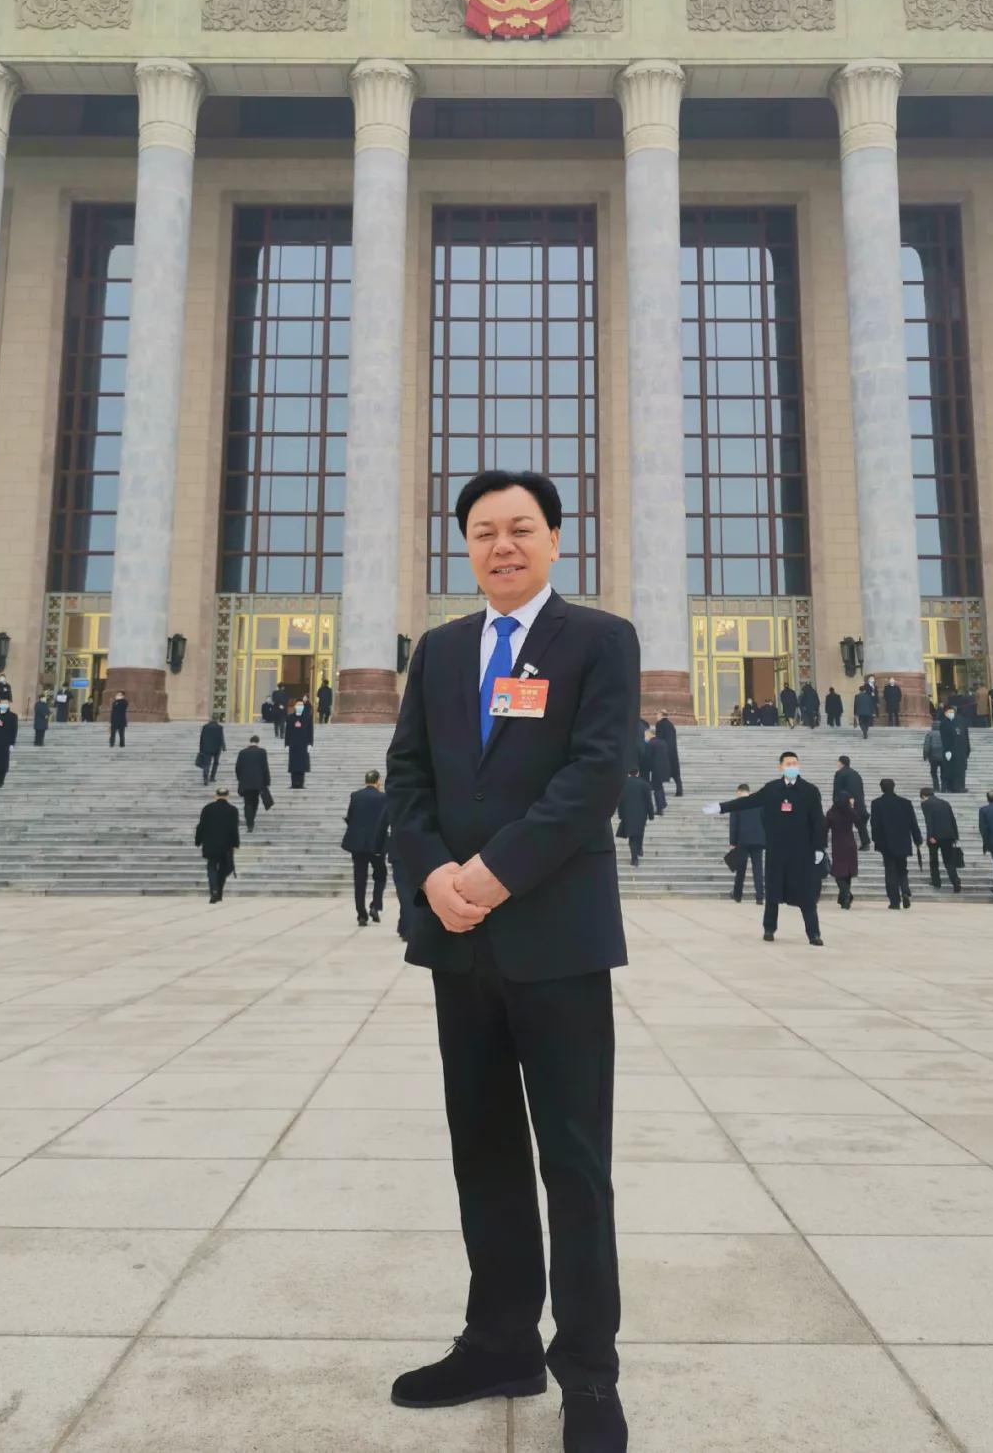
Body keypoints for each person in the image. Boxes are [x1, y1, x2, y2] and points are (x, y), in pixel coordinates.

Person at [385, 468, 638, 1452]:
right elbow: (408, 778)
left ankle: (590, 1377)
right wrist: (433, 875)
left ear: (555, 540)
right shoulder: (443, 651)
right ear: (466, 546)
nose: (502, 545)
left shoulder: (599, 641)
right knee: (483, 1151)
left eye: (521, 528)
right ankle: (499, 1343)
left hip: (557, 938)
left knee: (574, 1162)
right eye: (484, 531)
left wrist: (491, 874)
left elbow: (593, 778)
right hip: (460, 943)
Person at [705, 751, 826, 945]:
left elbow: (818, 820)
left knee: (806, 893)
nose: (792, 767)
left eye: (795, 763)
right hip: (776, 849)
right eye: (788, 764)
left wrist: (819, 846)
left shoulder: (809, 791)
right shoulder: (772, 789)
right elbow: (748, 801)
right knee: (772, 891)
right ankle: (769, 928)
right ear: (781, 767)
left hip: (801, 850)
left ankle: (814, 933)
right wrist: (722, 807)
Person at [342, 768, 390, 926]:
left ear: (365, 781)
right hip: (376, 843)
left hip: (357, 844)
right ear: (378, 781)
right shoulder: (384, 798)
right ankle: (375, 905)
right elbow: (386, 820)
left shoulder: (355, 796)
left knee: (359, 878)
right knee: (380, 875)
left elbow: (350, 817)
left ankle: (361, 914)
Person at [869, 778, 922, 910]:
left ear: (882, 788)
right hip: (903, 841)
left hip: (886, 843)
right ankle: (905, 890)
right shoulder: (905, 803)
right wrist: (917, 839)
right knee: (902, 869)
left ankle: (894, 901)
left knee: (890, 871)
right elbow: (913, 823)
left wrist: (876, 840)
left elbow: (874, 824)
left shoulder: (876, 803)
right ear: (894, 787)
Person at [194, 785, 241, 903]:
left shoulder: (207, 808)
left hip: (210, 844)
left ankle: (214, 891)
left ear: (216, 796)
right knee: (224, 869)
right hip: (226, 846)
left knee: (211, 867)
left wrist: (198, 840)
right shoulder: (233, 810)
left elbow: (201, 826)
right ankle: (218, 892)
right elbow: (234, 828)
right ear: (227, 796)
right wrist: (235, 844)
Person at [920, 787, 962, 894]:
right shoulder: (945, 803)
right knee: (949, 860)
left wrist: (930, 835)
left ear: (923, 795)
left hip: (935, 836)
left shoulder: (926, 804)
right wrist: (955, 835)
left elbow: (929, 820)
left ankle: (936, 881)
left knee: (933, 860)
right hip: (948, 835)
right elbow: (952, 819)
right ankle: (955, 882)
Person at [728, 783, 765, 904]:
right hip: (758, 841)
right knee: (758, 869)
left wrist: (732, 843)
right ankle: (759, 897)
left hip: (742, 841)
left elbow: (733, 825)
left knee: (741, 870)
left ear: (739, 791)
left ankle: (737, 895)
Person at [825, 792, 859, 909]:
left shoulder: (831, 813)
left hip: (838, 845)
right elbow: (860, 821)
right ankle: (845, 897)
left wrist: (822, 843)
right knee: (847, 872)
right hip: (850, 844)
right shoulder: (851, 812)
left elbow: (825, 828)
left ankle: (846, 894)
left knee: (838, 872)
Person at [616, 768, 654, 868]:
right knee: (639, 832)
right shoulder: (644, 784)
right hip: (641, 814)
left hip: (628, 814)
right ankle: (639, 849)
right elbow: (649, 801)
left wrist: (620, 814)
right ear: (638, 773)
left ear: (628, 773)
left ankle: (634, 858)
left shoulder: (623, 784)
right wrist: (651, 815)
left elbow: (620, 801)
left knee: (632, 836)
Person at [235, 734, 272, 833]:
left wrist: (240, 779)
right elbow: (265, 767)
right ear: (258, 741)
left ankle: (249, 823)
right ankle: (251, 820)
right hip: (258, 782)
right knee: (255, 801)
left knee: (247, 802)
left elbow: (238, 767)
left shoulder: (242, 752)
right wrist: (267, 781)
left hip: (245, 782)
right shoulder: (262, 752)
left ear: (250, 741)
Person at [833, 755, 870, 849]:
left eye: (838, 762)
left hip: (845, 802)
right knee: (860, 823)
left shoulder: (840, 773)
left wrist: (836, 801)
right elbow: (861, 789)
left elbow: (837, 789)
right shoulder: (856, 774)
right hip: (858, 802)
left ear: (841, 763)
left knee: (842, 822)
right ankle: (866, 843)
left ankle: (843, 843)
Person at [387, 828, 416, 944]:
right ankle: (404, 925)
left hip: (398, 852)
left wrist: (378, 847)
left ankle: (407, 928)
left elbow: (382, 824)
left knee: (404, 893)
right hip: (417, 852)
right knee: (411, 893)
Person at [940, 705, 970, 793]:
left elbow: (966, 735)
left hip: (961, 750)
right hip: (951, 750)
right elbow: (944, 738)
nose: (951, 713)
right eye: (949, 712)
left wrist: (968, 748)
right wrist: (947, 750)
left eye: (952, 712)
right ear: (945, 713)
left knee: (961, 769)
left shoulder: (961, 721)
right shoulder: (944, 723)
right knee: (951, 769)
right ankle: (951, 787)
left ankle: (961, 786)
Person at [640, 726, 670, 817]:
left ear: (650, 734)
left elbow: (648, 758)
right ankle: (663, 803)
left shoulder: (650, 744)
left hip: (655, 769)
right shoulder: (663, 742)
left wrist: (645, 769)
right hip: (664, 769)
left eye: (646, 735)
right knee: (659, 786)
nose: (645, 736)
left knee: (657, 789)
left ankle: (659, 809)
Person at [284, 702, 312, 789]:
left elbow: (310, 731)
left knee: (302, 765)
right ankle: (293, 783)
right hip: (293, 744)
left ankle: (301, 783)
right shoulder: (290, 717)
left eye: (301, 705)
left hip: (303, 744)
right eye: (298, 705)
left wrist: (310, 744)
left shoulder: (307, 717)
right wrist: (286, 744)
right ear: (295, 707)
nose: (300, 707)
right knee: (293, 765)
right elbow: (287, 732)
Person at [656, 709, 682, 796]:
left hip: (664, 751)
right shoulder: (671, 724)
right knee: (676, 774)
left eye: (657, 714)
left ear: (661, 715)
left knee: (659, 772)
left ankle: (659, 791)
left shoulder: (659, 724)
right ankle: (679, 790)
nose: (656, 716)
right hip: (673, 752)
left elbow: (659, 738)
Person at [198, 714, 226, 785]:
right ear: (217, 719)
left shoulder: (205, 727)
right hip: (217, 748)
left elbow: (202, 738)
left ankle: (205, 778)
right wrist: (223, 747)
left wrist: (201, 749)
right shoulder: (219, 727)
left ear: (211, 718)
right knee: (215, 763)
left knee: (206, 763)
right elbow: (221, 738)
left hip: (206, 748)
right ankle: (212, 777)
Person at [922, 719, 944, 793]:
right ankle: (944, 787)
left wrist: (925, 755)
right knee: (943, 773)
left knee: (933, 772)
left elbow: (926, 746)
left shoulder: (930, 734)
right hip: (943, 756)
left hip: (933, 757)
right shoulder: (944, 733)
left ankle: (936, 787)